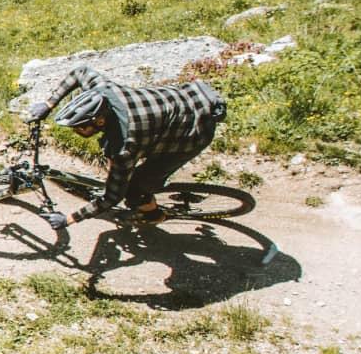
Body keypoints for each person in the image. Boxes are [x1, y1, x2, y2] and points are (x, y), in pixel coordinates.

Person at [24, 64, 227, 230]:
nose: (76, 132)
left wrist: (69, 219)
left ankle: (154, 214)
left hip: (193, 132)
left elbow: (112, 197)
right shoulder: (103, 91)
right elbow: (80, 72)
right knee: (122, 171)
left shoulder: (125, 145)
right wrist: (48, 104)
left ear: (99, 122)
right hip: (184, 99)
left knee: (134, 190)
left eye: (80, 128)